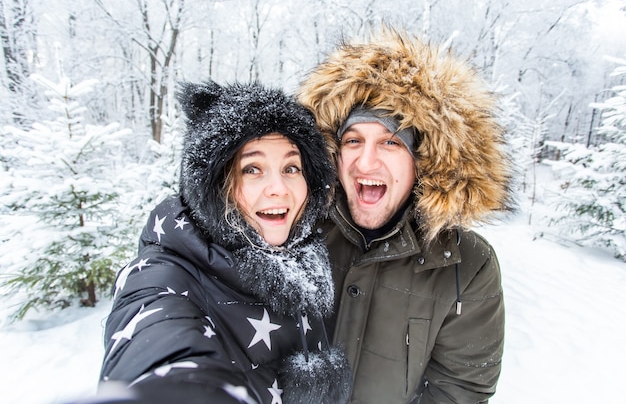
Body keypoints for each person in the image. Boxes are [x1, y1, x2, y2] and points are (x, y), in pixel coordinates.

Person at [96, 81, 351, 404]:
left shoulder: (307, 257)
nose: (279, 188)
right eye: (252, 169)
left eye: (291, 167)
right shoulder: (165, 275)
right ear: (215, 185)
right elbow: (156, 344)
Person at [297, 28, 514, 404]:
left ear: (424, 161)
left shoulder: (468, 267)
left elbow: (459, 392)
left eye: (391, 142)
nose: (366, 161)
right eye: (353, 140)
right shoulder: (294, 228)